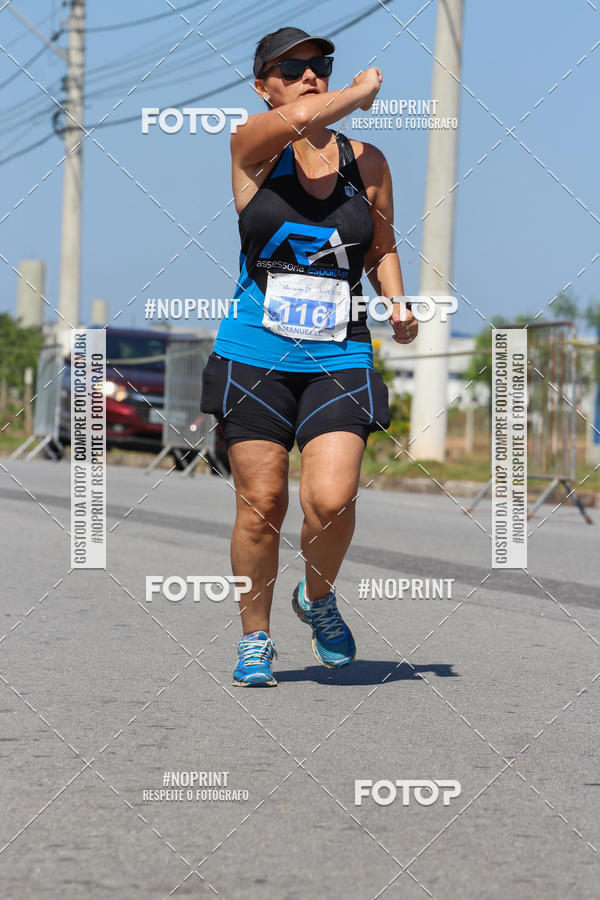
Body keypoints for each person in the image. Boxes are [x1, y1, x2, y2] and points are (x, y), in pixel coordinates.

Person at [200, 26, 418, 686]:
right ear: (262, 84)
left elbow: (380, 246)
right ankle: (256, 637)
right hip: (254, 354)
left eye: (318, 65)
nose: (307, 75)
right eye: (288, 69)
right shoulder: (252, 149)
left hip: (339, 353)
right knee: (262, 504)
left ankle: (317, 598)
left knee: (331, 499)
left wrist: (398, 302)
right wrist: (358, 94)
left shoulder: (368, 164)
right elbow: (296, 121)